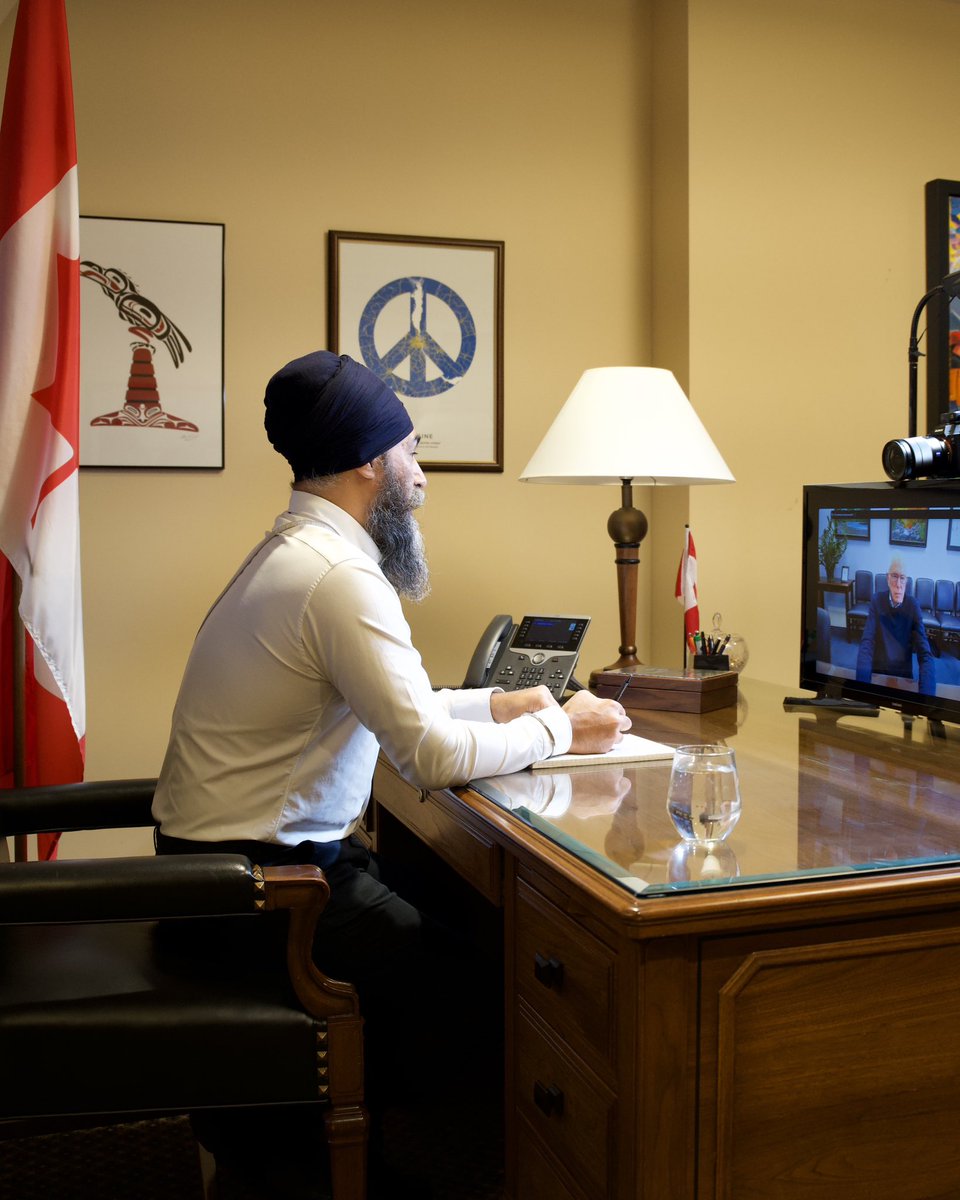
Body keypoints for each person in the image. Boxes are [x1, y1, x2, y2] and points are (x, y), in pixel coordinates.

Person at [151, 349, 631, 1197]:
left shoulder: (294, 552)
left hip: (223, 874)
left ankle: (366, 1145)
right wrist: (563, 721)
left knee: (458, 918)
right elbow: (429, 757)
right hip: (262, 898)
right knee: (495, 991)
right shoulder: (338, 578)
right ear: (371, 463)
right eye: (413, 452)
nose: (422, 477)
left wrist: (497, 704)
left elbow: (384, 701)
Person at [855, 557, 936, 694]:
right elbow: (867, 643)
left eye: (902, 578)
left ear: (907, 581)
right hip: (878, 673)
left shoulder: (913, 605)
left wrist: (926, 700)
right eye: (894, 576)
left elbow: (925, 653)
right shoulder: (876, 600)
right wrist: (862, 690)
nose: (898, 584)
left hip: (903, 676)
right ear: (887, 579)